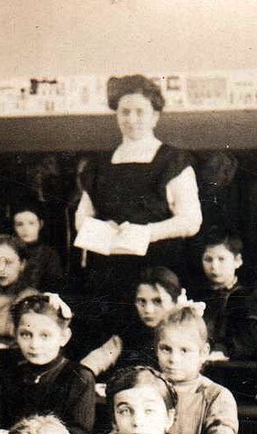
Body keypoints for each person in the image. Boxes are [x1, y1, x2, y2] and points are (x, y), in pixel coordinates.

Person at [73, 75, 201, 357]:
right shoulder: (98, 166)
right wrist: (102, 228)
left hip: (157, 272)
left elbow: (191, 220)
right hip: (108, 274)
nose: (132, 119)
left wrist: (144, 232)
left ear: (155, 116)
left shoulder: (173, 161)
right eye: (124, 111)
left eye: (140, 111)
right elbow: (82, 218)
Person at [0, 293, 96, 434]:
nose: (34, 344)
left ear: (64, 337)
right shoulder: (11, 373)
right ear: (15, 334)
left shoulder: (79, 377)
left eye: (45, 336)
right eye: (26, 334)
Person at [158, 306, 237, 434]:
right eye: (166, 349)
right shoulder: (148, 388)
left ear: (204, 353)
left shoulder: (217, 396)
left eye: (184, 350)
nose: (173, 359)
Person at [82, 265, 184, 377]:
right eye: (141, 301)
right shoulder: (128, 333)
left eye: (157, 301)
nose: (148, 310)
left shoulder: (187, 334)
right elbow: (94, 361)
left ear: (175, 301)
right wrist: (84, 373)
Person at [192, 232, 257, 361]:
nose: (214, 266)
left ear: (237, 261)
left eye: (221, 259)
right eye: (208, 259)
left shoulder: (249, 297)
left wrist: (224, 351)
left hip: (237, 366)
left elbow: (248, 343)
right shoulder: (199, 296)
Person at [12, 205, 66, 293]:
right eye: (19, 224)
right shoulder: (10, 251)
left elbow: (54, 287)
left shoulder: (49, 254)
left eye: (31, 223)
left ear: (40, 224)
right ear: (14, 227)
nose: (25, 229)